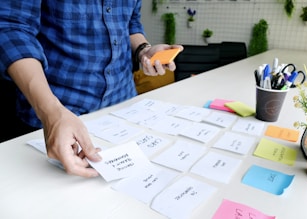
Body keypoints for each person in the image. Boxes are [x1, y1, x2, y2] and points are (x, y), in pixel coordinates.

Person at [0, 1, 183, 177]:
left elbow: (131, 22)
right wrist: (51, 113)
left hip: (122, 109)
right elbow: (11, 29)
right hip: (56, 118)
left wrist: (143, 50)